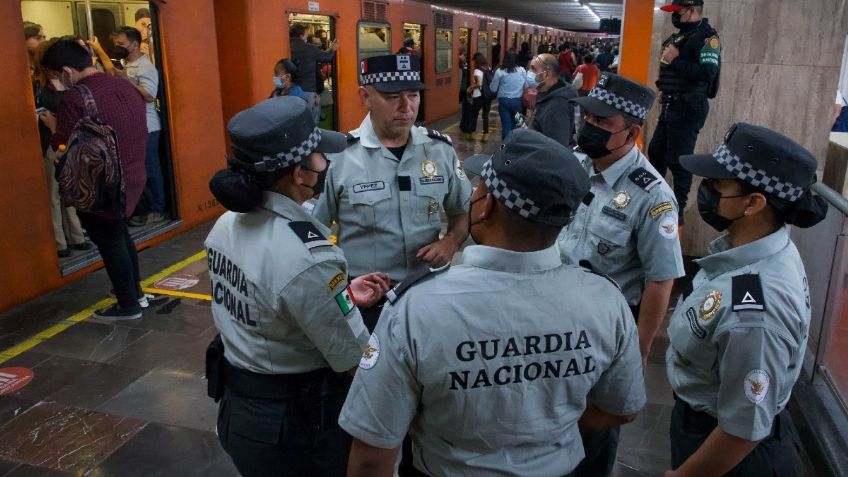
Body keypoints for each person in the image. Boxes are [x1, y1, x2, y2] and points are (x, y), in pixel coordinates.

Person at [341, 128, 647, 477]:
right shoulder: (606, 301)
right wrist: (545, 432)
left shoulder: (416, 308)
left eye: (478, 188)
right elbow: (623, 409)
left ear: (486, 205)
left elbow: (371, 452)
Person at [205, 96, 390, 477]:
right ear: (299, 173)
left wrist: (339, 294)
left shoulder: (226, 225)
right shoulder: (310, 258)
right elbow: (355, 358)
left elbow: (264, 301)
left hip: (240, 410)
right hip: (295, 429)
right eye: (320, 155)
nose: (326, 163)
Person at [664, 123, 828, 477]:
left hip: (727, 455)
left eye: (717, 185)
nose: (704, 192)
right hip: (705, 425)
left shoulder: (754, 313)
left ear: (754, 203)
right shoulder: (757, 249)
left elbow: (741, 430)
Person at [559, 73, 685, 477]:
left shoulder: (653, 196)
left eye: (602, 124)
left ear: (630, 132)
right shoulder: (576, 163)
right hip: (555, 313)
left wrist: (640, 349)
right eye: (588, 118)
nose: (589, 127)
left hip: (605, 331)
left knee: (595, 430)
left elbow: (660, 279)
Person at [314, 54, 472, 332]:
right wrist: (340, 292)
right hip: (366, 300)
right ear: (365, 97)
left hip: (428, 291)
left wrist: (450, 243)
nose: (406, 107)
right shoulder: (338, 158)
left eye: (413, 95)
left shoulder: (440, 151)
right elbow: (313, 238)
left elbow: (462, 211)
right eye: (392, 97)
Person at [42, 39, 148, 319]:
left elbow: (64, 144)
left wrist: (53, 126)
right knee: (121, 234)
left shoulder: (76, 98)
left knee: (110, 241)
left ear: (66, 70)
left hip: (103, 183)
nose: (57, 79)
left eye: (55, 74)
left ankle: (128, 305)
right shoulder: (123, 85)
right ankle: (134, 291)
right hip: (134, 174)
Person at [648, 0, 721, 228]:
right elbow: (667, 69)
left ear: (691, 10)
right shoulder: (679, 37)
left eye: (677, 12)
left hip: (689, 107)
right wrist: (663, 86)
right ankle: (654, 201)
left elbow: (707, 74)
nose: (674, 16)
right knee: (656, 152)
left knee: (678, 161)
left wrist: (676, 60)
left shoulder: (708, 38)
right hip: (671, 104)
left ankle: (676, 212)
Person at [32, 39, 90, 258]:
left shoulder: (68, 80)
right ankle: (59, 241)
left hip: (70, 139)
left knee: (70, 189)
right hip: (50, 141)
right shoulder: (38, 84)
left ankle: (76, 235)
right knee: (54, 193)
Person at [115, 26, 165, 227]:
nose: (118, 48)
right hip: (131, 125)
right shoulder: (124, 64)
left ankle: (157, 208)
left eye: (121, 44)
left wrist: (125, 80)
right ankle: (142, 208)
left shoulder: (145, 67)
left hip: (148, 126)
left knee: (150, 169)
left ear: (134, 44)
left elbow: (149, 95)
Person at [289, 23, 338, 124]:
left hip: (291, 91)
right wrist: (333, 48)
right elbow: (326, 57)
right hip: (308, 91)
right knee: (311, 122)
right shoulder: (309, 48)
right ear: (302, 35)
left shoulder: (287, 47)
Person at [528, 53, 576, 148]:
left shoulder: (557, 107)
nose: (529, 73)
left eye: (533, 69)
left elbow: (556, 148)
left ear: (547, 74)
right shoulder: (546, 94)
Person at [490, 52, 527, 140]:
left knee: (506, 125)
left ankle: (505, 147)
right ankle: (513, 144)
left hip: (504, 102)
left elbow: (493, 89)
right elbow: (526, 86)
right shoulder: (522, 70)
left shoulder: (499, 71)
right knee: (516, 124)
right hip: (517, 102)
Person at [467, 53, 494, 142]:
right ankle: (485, 135)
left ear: (476, 61)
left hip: (478, 95)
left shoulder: (477, 71)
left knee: (474, 115)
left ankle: (472, 133)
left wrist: (470, 88)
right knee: (485, 115)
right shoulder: (489, 69)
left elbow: (478, 84)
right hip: (487, 96)